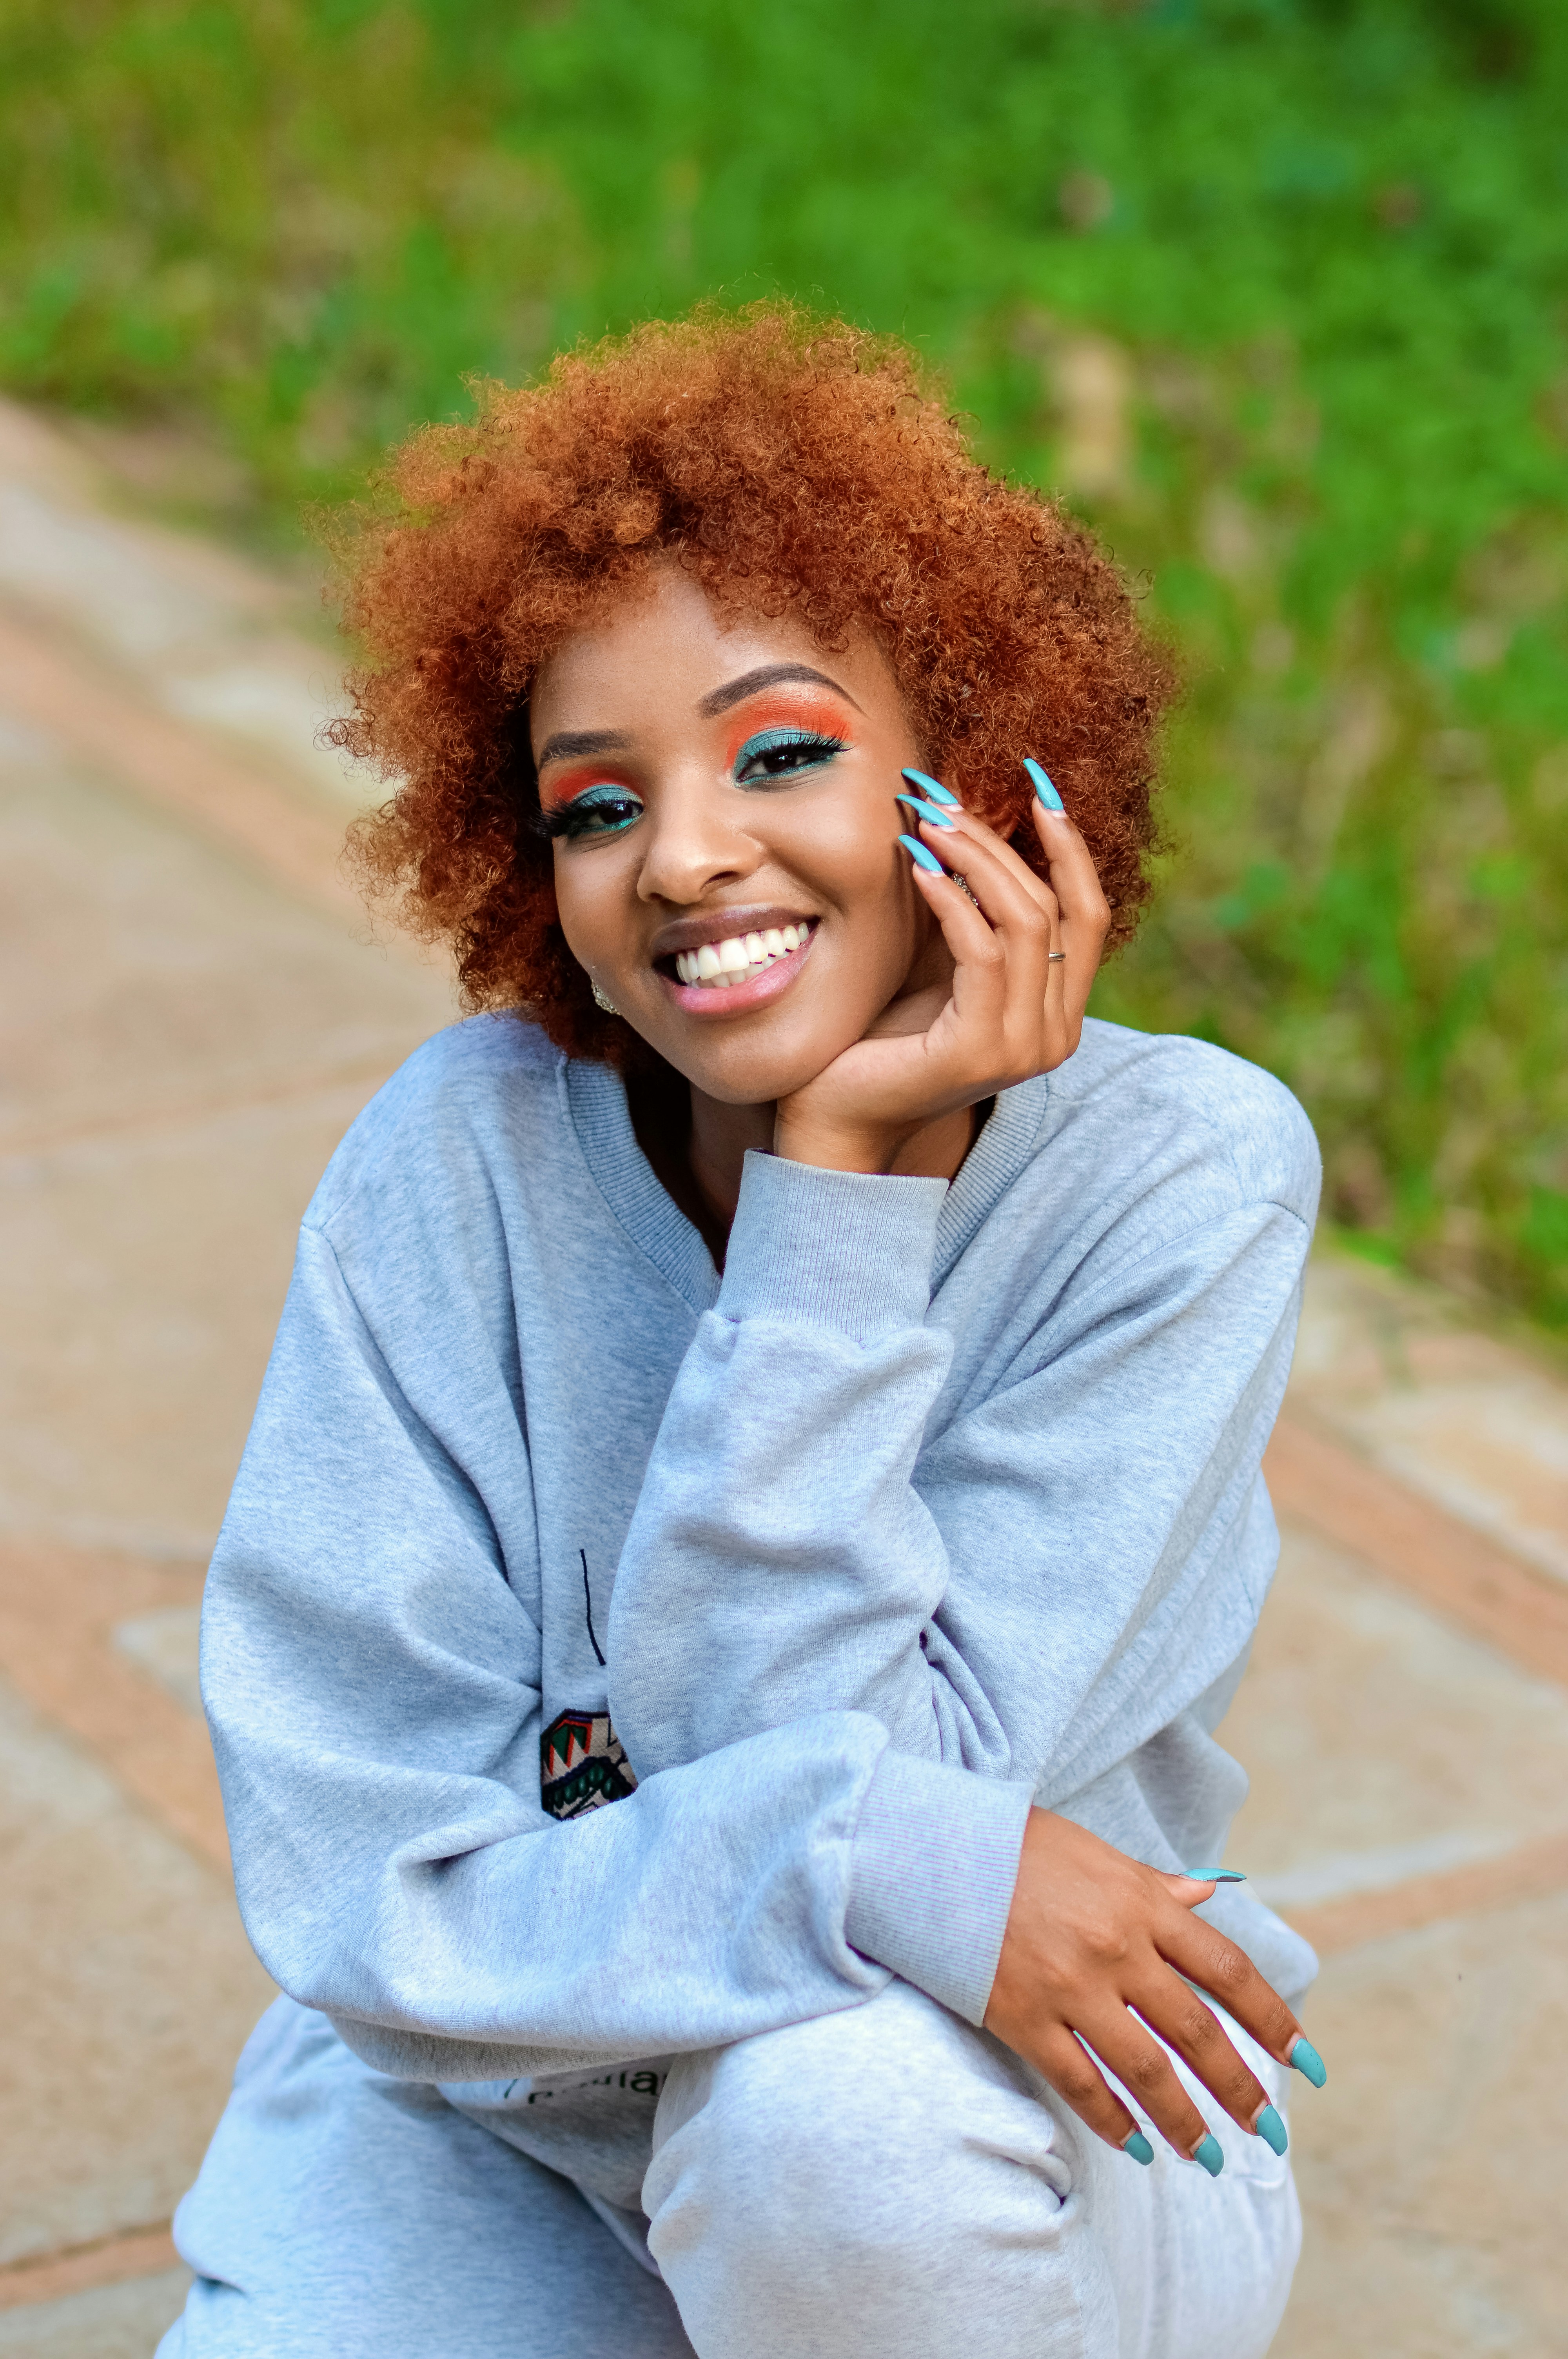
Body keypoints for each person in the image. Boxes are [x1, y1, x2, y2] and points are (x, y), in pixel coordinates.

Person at [160, 306, 1327, 2359]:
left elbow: (916, 1920)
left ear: (962, 768)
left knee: (825, 2123)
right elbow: (376, 1895)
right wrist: (881, 1844)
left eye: (782, 754)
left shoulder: (1181, 1184)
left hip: (984, 2133)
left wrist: (842, 1196)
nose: (686, 856)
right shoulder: (463, 1167)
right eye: (597, 806)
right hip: (502, 2136)